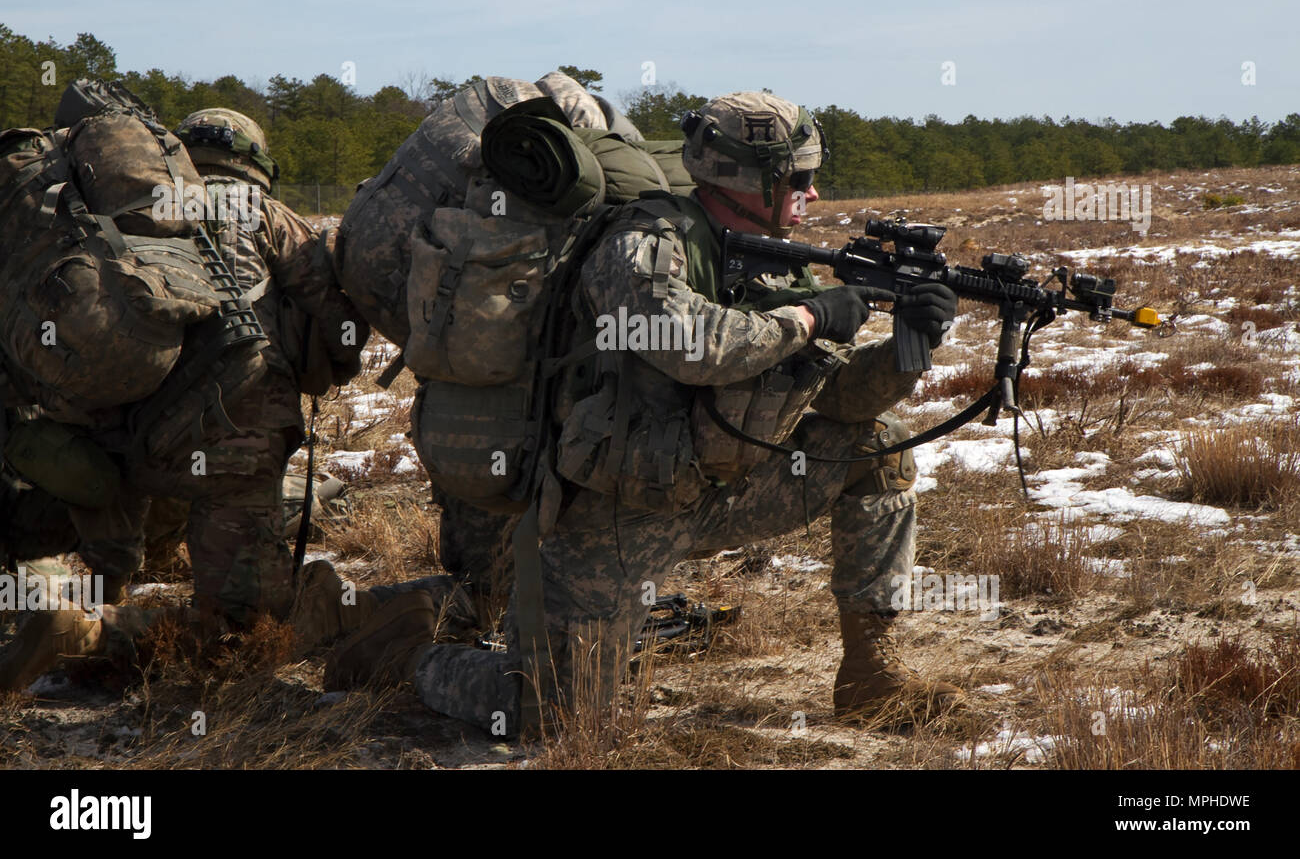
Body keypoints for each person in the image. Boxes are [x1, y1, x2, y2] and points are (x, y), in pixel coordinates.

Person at [313, 91, 964, 735]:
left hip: (718, 491)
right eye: (800, 178)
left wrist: (910, 346)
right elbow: (688, 345)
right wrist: (810, 316)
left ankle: (871, 676)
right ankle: (402, 656)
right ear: (750, 178)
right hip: (609, 518)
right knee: (557, 714)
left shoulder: (773, 264)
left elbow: (839, 397)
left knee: (879, 445)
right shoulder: (646, 242)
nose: (814, 194)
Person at [0, 108, 367, 691]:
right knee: (243, 635)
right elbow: (340, 321)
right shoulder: (259, 210)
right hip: (229, 437)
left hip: (114, 442)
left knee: (156, 489)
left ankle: (70, 582)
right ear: (257, 163)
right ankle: (90, 629)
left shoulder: (125, 211)